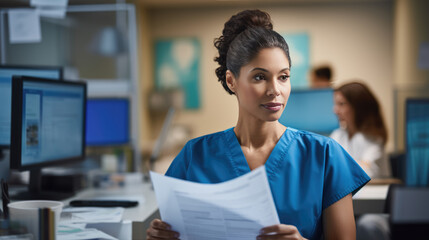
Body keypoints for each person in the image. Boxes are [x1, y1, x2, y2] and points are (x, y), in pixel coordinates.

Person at [146, 9, 370, 240]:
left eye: (283, 77)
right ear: (231, 81)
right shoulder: (194, 157)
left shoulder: (324, 155)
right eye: (260, 77)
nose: (275, 90)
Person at [330, 81, 390, 178]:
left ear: (358, 107)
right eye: (335, 104)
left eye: (341, 104)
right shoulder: (338, 135)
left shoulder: (374, 139)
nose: (335, 110)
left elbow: (366, 172)